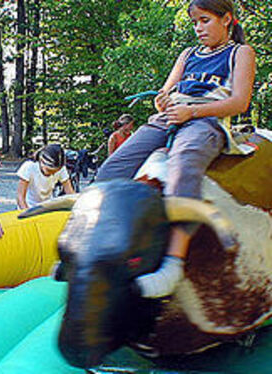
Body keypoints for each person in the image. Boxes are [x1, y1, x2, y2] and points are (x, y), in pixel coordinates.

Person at [96, 0, 256, 298]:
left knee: (183, 165)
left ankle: (173, 262)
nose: (198, 28)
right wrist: (163, 101)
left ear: (227, 20)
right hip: (168, 119)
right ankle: (101, 247)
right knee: (110, 171)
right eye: (195, 21)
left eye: (205, 20)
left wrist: (192, 113)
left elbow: (239, 102)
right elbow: (165, 91)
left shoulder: (240, 53)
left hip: (205, 122)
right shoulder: (187, 54)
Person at [16, 144, 75, 209]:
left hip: (47, 207)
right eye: (49, 171)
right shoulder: (29, 167)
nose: (52, 174)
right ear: (41, 161)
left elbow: (70, 193)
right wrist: (26, 213)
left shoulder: (61, 169)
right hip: (28, 206)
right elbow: (20, 197)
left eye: (55, 172)